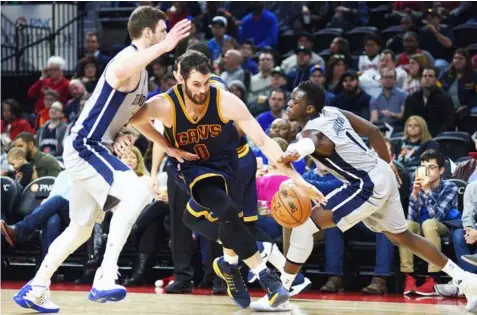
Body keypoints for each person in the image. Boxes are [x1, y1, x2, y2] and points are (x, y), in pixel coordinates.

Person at [13, 7, 193, 313]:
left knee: (80, 228)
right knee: (137, 191)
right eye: (163, 31)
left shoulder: (143, 71)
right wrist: (164, 47)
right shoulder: (127, 59)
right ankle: (106, 275)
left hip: (95, 148)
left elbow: (134, 118)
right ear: (148, 33)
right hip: (86, 145)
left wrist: (165, 145)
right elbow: (120, 74)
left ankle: (36, 287)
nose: (167, 37)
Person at [250, 80, 477, 312]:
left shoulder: (311, 131)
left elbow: (311, 142)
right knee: (402, 237)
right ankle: (467, 280)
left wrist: (295, 151)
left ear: (309, 109)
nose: (289, 104)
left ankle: (281, 293)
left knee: (304, 225)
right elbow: (373, 131)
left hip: (365, 184)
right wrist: (389, 163)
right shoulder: (333, 111)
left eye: (294, 101)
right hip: (381, 172)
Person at [130, 51, 322, 309]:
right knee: (226, 209)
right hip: (192, 167)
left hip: (226, 163)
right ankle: (266, 278)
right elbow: (135, 118)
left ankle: (228, 267)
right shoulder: (165, 104)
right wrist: (166, 145)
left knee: (228, 219)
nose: (202, 90)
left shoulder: (224, 101)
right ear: (180, 79)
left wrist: (299, 180)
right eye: (195, 84)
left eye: (206, 82)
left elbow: (264, 142)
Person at [400, 149, 460, 296]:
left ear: (441, 170)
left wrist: (427, 192)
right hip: (422, 224)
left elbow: (437, 216)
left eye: (432, 168)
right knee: (406, 225)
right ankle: (409, 276)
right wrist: (414, 195)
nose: (427, 171)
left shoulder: (450, 187)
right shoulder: (418, 186)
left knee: (429, 223)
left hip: (444, 226)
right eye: (424, 167)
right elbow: (412, 218)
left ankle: (433, 277)